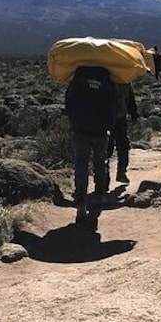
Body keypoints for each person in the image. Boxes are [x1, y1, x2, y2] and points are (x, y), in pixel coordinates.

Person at [64, 66, 119, 229]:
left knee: (81, 163)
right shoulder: (107, 80)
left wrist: (73, 122)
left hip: (80, 129)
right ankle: (99, 195)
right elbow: (114, 104)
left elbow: (69, 102)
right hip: (101, 130)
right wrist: (110, 124)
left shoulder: (78, 78)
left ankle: (81, 200)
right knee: (100, 161)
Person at [108, 83, 139, 184]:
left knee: (108, 148)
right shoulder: (124, 79)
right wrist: (134, 114)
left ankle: (104, 178)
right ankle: (120, 173)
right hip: (117, 119)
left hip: (106, 119)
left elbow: (130, 99)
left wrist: (134, 113)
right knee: (121, 147)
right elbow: (131, 100)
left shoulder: (106, 78)